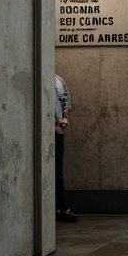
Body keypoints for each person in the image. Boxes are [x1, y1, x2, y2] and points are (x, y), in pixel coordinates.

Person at [54, 74, 79, 222]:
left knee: (58, 172)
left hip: (57, 130)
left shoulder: (58, 80)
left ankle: (63, 209)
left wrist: (64, 118)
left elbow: (66, 101)